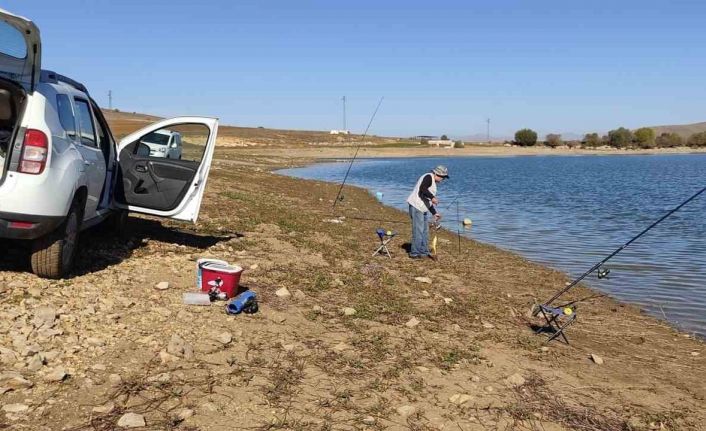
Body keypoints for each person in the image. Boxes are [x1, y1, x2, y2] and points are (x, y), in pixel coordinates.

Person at [406, 165, 448, 259]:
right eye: (443, 177)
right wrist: (433, 197)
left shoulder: (432, 182)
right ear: (437, 174)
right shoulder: (428, 177)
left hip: (423, 209)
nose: (443, 180)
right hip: (416, 207)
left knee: (425, 231)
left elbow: (426, 199)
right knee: (418, 231)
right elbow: (422, 189)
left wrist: (434, 213)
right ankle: (415, 253)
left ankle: (424, 251)